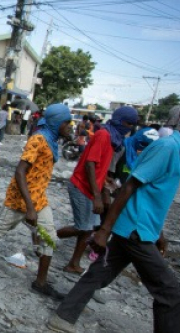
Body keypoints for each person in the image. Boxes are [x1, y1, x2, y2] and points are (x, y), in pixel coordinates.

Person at [47, 99, 180, 333]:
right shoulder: (167, 148)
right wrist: (105, 229)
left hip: (142, 228)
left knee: (99, 274)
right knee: (171, 295)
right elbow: (130, 186)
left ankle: (62, 316)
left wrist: (160, 232)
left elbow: (154, 195)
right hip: (134, 230)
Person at [0, 104, 73, 300]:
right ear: (56, 122)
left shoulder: (51, 141)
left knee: (49, 236)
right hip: (21, 198)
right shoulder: (38, 140)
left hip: (39, 198)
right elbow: (19, 171)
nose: (70, 126)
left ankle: (40, 283)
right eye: (66, 122)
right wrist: (29, 207)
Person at [56, 106, 138, 274]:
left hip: (91, 188)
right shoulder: (104, 135)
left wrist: (106, 185)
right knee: (83, 227)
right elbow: (90, 164)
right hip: (81, 186)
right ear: (119, 120)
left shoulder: (114, 140)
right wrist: (97, 196)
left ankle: (74, 263)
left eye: (132, 124)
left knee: (89, 227)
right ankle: (47, 236)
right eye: (128, 123)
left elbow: (100, 167)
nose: (130, 128)